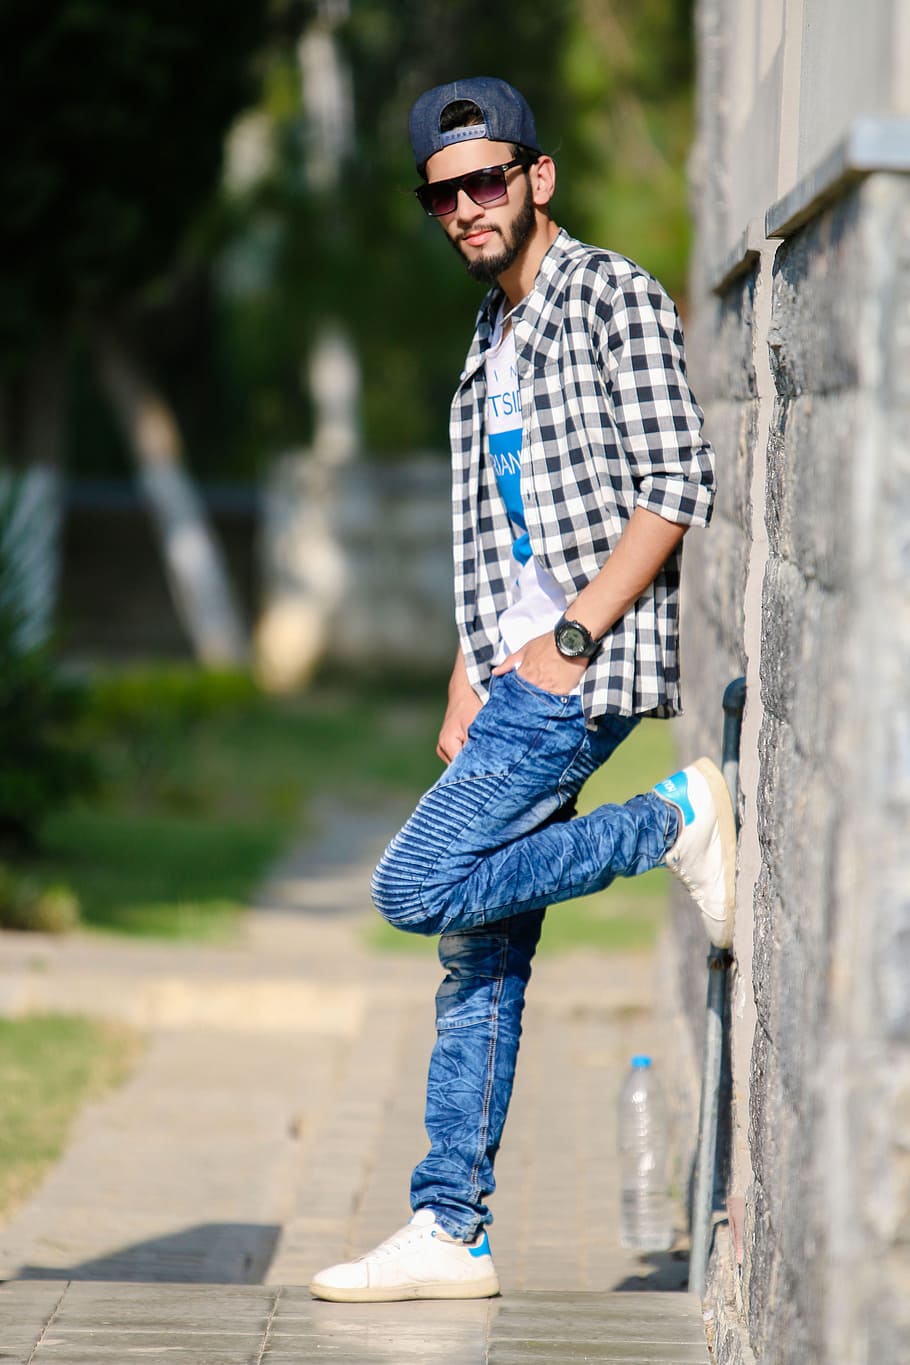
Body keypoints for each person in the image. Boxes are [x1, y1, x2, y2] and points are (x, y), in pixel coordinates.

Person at [310, 76, 736, 1304]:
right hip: (513, 669)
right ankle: (453, 1228)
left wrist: (574, 636)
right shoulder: (492, 337)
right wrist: (470, 660)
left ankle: (674, 822)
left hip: (574, 667)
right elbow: (503, 534)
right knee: (478, 950)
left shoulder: (608, 296)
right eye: (442, 193)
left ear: (537, 177)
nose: (464, 208)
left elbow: (677, 482)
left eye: (486, 179)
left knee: (416, 882)